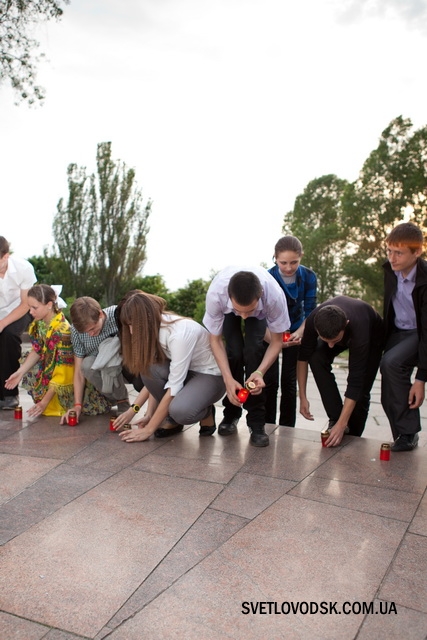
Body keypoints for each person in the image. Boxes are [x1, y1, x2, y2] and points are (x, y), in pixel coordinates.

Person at [116, 291, 225, 443]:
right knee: (149, 369)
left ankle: (205, 411)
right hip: (187, 374)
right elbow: (153, 381)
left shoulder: (178, 334)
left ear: (147, 318)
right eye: (128, 325)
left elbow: (173, 387)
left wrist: (149, 430)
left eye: (134, 324)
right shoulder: (154, 328)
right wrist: (141, 412)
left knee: (181, 411)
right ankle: (172, 419)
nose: (132, 331)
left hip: (210, 376)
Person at [203, 266, 290, 447]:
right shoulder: (216, 295)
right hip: (227, 308)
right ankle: (231, 414)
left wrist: (260, 372)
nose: (243, 316)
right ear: (229, 296)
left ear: (260, 297)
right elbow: (215, 341)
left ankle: (257, 423)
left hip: (260, 311)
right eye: (239, 310)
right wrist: (227, 379)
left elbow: (276, 341)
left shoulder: (273, 297)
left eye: (248, 311)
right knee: (234, 352)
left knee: (254, 350)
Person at [297, 296, 383, 447]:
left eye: (335, 341)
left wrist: (343, 424)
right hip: (340, 327)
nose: (330, 346)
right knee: (316, 356)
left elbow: (355, 381)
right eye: (326, 340)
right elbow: (302, 359)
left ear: (346, 325)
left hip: (373, 335)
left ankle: (352, 433)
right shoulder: (313, 320)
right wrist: (303, 397)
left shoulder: (359, 327)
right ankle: (336, 419)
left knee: (362, 389)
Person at [380, 221, 427, 452]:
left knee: (392, 362)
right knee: (388, 388)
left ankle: (409, 433)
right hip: (397, 332)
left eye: (399, 253)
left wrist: (421, 379)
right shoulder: (390, 271)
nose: (392, 257)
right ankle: (402, 435)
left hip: (419, 332)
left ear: (417, 251)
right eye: (389, 251)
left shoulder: (425, 279)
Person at [265, 235, 317, 426]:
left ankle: (287, 427)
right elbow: (260, 315)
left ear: (301, 257)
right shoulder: (267, 277)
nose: (288, 267)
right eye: (283, 262)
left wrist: (301, 331)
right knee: (270, 381)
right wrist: (273, 339)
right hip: (270, 332)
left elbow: (311, 310)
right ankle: (267, 424)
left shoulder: (309, 276)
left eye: (294, 262)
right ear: (275, 258)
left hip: (296, 330)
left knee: (289, 382)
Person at [5, 284, 74, 417]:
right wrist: (19, 372)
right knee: (28, 361)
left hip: (64, 376)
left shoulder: (62, 331)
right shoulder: (40, 323)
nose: (30, 312)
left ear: (49, 305)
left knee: (53, 407)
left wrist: (44, 402)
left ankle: (51, 400)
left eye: (34, 307)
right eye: (29, 307)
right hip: (51, 370)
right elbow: (37, 350)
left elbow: (63, 372)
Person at [60, 296, 130, 425]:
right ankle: (111, 397)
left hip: (121, 359)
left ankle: (122, 400)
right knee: (86, 365)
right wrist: (77, 405)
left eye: (92, 329)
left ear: (100, 314)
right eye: (86, 332)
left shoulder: (116, 314)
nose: (90, 334)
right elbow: (79, 371)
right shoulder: (75, 332)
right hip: (97, 364)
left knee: (110, 359)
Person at [0, 236, 37, 410]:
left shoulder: (23, 268)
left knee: (8, 335)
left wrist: (2, 324)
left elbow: (25, 303)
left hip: (21, 309)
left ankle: (10, 394)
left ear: (5, 256)